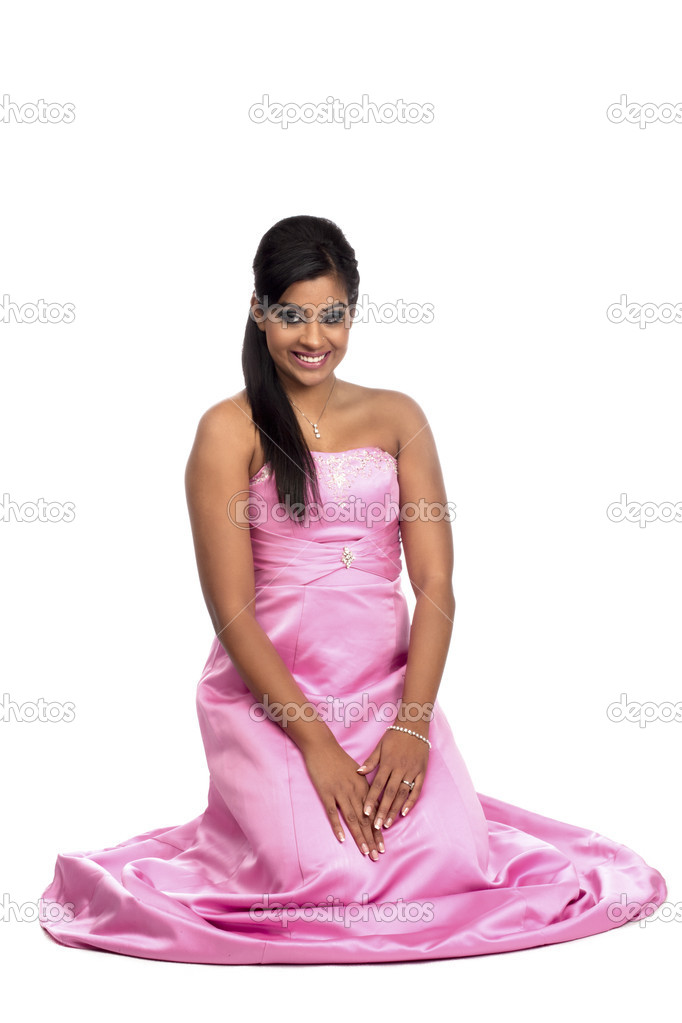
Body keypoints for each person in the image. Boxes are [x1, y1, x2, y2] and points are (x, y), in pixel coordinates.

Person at [38, 215, 667, 964]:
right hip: (271, 698)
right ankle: (256, 816)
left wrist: (412, 724)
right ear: (258, 310)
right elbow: (231, 610)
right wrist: (317, 744)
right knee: (328, 875)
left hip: (384, 692)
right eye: (294, 313)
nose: (315, 335)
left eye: (333, 314)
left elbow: (436, 581)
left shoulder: (399, 417)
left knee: (451, 864)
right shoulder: (226, 430)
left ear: (353, 314)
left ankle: (424, 788)